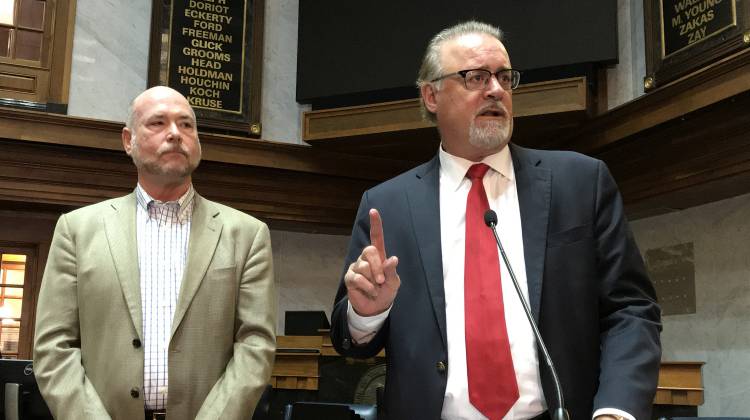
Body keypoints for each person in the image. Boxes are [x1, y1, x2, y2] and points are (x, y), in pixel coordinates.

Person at [331, 21, 661, 420]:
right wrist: (366, 314)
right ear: (431, 95)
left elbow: (631, 309)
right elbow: (353, 342)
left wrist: (616, 410)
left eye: (505, 77)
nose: (496, 90)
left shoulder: (581, 183)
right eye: (475, 77)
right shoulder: (386, 205)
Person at [33, 86, 276, 420]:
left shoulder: (247, 235)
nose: (175, 134)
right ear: (127, 140)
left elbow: (255, 347)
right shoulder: (77, 230)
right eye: (158, 123)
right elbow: (53, 348)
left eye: (186, 125)